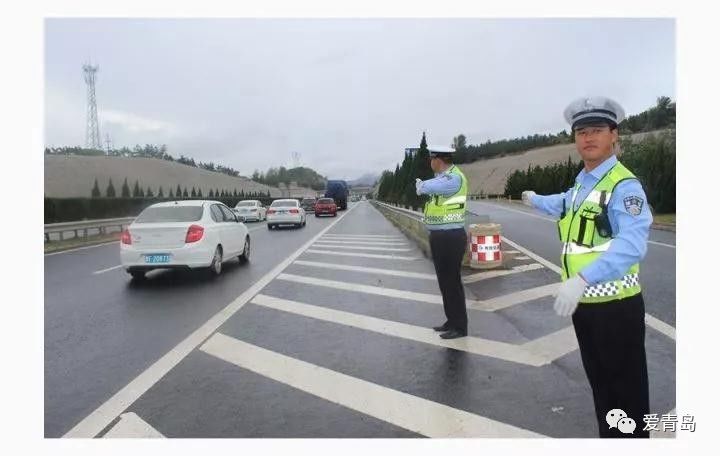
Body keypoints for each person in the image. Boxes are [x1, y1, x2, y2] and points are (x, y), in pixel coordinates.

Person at [521, 96, 652, 438]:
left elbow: (631, 245)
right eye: (581, 131)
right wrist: (534, 198)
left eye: (596, 130)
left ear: (614, 135)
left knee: (627, 400)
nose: (588, 137)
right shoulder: (582, 183)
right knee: (604, 395)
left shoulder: (623, 186)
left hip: (615, 307)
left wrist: (582, 278)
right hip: (585, 307)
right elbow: (563, 203)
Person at [416, 146, 469, 340]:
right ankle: (451, 320)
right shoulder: (443, 177)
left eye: (432, 159)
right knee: (444, 282)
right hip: (440, 236)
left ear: (439, 160)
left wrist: (422, 185)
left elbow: (431, 187)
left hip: (451, 236)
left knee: (452, 282)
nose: (430, 163)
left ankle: (460, 327)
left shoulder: (454, 177)